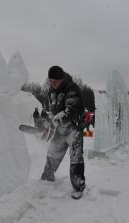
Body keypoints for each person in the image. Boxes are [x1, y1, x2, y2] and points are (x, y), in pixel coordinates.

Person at [41, 66, 86, 199]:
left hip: (74, 128)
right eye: (51, 81)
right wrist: (49, 120)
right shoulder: (51, 91)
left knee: (76, 157)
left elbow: (71, 109)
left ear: (62, 79)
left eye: (55, 81)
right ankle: (47, 177)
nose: (53, 84)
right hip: (60, 129)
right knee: (53, 151)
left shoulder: (72, 89)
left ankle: (78, 186)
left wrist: (56, 119)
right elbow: (53, 110)